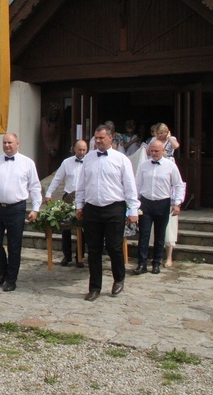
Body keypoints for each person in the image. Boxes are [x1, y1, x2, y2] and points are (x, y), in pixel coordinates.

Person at [76, 125, 139, 301]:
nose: (97, 141)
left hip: (114, 207)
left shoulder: (121, 159)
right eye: (96, 138)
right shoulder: (88, 158)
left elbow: (130, 186)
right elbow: (81, 185)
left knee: (114, 246)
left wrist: (133, 209)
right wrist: (79, 206)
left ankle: (119, 278)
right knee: (93, 249)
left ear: (110, 138)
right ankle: (94, 287)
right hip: (92, 208)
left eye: (101, 138)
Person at [0, 132, 41, 292]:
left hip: (16, 208)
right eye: (5, 143)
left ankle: (11, 279)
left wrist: (36, 208)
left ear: (17, 143)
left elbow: (35, 187)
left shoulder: (27, 163)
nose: (7, 145)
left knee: (14, 245)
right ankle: (3, 272)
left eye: (10, 143)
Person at [133, 140, 186, 275]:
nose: (154, 153)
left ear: (163, 151)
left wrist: (177, 203)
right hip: (146, 202)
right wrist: (134, 203)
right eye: (152, 151)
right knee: (144, 235)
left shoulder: (170, 166)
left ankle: (156, 263)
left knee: (160, 234)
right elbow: (137, 185)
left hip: (162, 203)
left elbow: (179, 185)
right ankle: (142, 263)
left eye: (157, 151)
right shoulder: (144, 165)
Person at [45, 140, 88, 267]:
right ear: (74, 149)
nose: (82, 152)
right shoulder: (67, 162)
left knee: (82, 228)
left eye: (84, 150)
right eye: (79, 149)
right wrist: (48, 193)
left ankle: (80, 256)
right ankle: (66, 255)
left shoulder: (90, 162)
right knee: (66, 227)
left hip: (84, 197)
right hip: (69, 196)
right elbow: (57, 178)